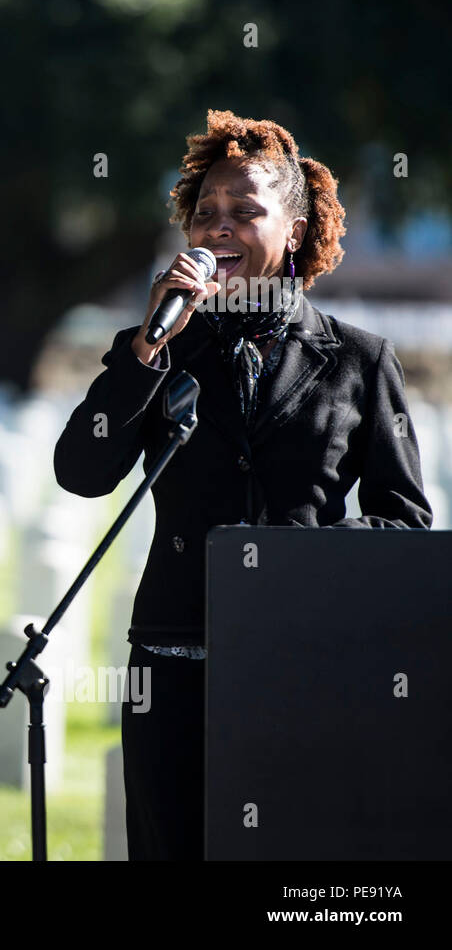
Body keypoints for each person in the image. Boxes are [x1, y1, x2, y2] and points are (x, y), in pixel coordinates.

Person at [52, 110, 433, 861]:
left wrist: (305, 560)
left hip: (307, 659)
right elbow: (82, 472)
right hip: (173, 656)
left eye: (244, 212)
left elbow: (404, 521)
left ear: (293, 230)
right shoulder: (159, 346)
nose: (218, 227)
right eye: (205, 213)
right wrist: (147, 347)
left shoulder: (358, 359)